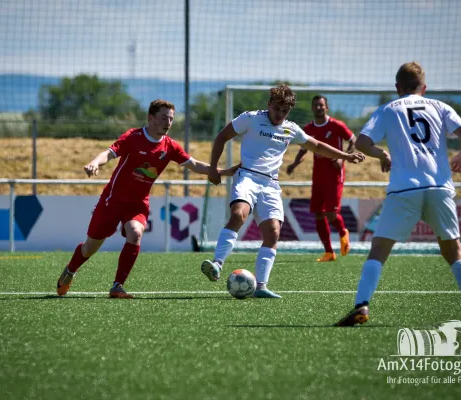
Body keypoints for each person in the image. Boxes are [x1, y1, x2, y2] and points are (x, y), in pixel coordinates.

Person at [335, 62, 461, 327]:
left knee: (379, 250)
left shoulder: (388, 110)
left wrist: (382, 154)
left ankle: (362, 305)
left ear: (397, 87)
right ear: (424, 87)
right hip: (439, 188)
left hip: (404, 189)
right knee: (454, 252)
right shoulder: (439, 107)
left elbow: (362, 142)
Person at [56, 99, 239, 298]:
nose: (168, 122)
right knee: (90, 248)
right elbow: (109, 153)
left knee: (135, 233)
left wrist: (227, 171)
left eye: (171, 119)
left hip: (138, 203)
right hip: (113, 200)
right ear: (151, 118)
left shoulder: (170, 146)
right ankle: (70, 270)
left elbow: (194, 164)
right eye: (163, 118)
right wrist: (95, 163)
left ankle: (117, 286)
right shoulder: (133, 137)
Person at [201, 85, 365, 298]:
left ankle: (260, 287)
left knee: (273, 232)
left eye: (285, 111)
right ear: (269, 104)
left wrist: (346, 156)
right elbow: (221, 137)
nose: (280, 114)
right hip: (247, 176)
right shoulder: (250, 118)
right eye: (277, 108)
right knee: (238, 214)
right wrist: (213, 169)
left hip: (270, 184)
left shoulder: (291, 128)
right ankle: (217, 264)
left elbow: (316, 145)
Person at [286, 95, 356, 262]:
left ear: (327, 108)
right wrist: (294, 164)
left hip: (334, 174)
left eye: (321, 105)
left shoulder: (337, 125)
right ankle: (329, 252)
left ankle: (342, 232)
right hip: (318, 175)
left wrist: (342, 158)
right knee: (318, 213)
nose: (318, 108)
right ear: (312, 108)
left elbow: (353, 140)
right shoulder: (308, 129)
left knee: (331, 213)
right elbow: (303, 149)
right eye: (315, 105)